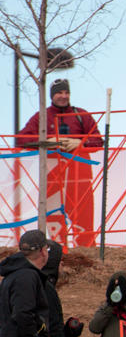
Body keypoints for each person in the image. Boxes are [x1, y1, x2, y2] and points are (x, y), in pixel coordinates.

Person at [16, 79, 103, 247]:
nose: (64, 96)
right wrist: (47, 140)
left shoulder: (81, 115)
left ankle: (86, 251)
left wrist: (81, 143)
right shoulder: (42, 116)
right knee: (54, 216)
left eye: (66, 92)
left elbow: (98, 141)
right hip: (52, 177)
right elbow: (21, 139)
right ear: (52, 95)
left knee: (83, 216)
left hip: (80, 177)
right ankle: (56, 250)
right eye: (59, 92)